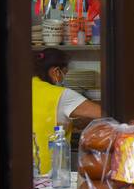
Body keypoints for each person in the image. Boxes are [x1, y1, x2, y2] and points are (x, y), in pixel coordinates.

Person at [32, 47, 101, 175]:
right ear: (56, 72)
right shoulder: (63, 95)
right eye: (65, 73)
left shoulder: (23, 88)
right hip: (51, 174)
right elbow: (104, 113)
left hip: (28, 172)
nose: (65, 78)